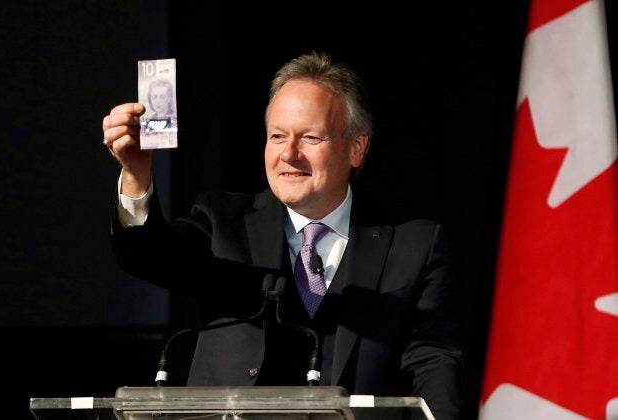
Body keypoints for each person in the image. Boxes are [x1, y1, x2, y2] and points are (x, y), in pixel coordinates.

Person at [102, 51, 466, 419]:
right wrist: (135, 173)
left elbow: (433, 361)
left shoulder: (412, 245)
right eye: (277, 136)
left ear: (356, 148)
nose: (289, 154)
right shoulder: (225, 222)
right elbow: (147, 254)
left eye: (310, 137)